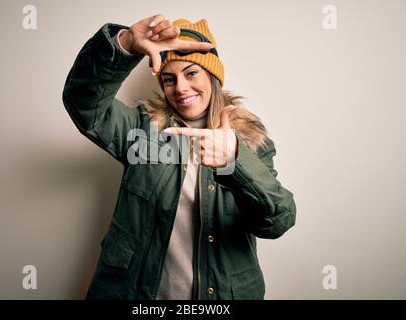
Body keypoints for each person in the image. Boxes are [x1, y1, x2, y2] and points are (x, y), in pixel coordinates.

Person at [62, 14, 296, 300]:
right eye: (169, 79)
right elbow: (83, 104)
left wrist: (234, 161)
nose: (181, 88)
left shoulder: (250, 141)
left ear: (212, 74)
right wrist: (124, 44)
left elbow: (277, 222)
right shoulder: (142, 130)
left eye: (191, 73)